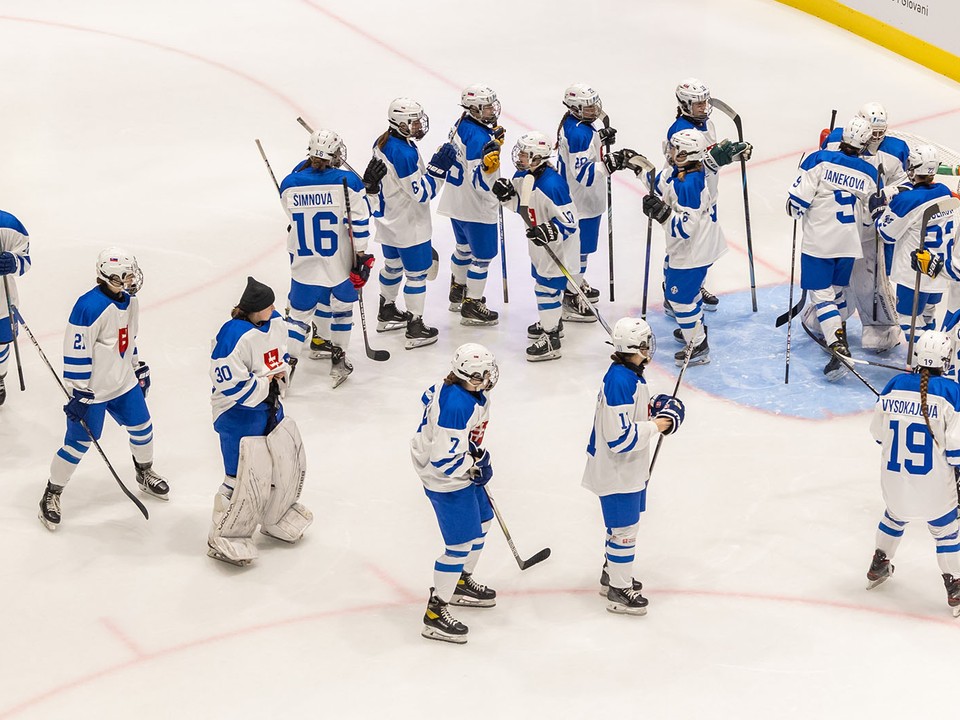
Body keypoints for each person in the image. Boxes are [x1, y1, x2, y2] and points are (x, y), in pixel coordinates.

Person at [39, 248, 168, 531]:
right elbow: (76, 351)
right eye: (126, 275)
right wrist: (79, 391)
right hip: (93, 392)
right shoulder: (88, 307)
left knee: (143, 428)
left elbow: (129, 336)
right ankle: (52, 493)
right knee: (77, 445)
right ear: (110, 277)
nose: (132, 279)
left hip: (123, 383)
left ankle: (143, 473)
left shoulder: (130, 301)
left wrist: (135, 365)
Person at [582, 317, 685, 615]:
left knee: (620, 527)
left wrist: (653, 405)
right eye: (645, 344)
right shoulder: (620, 381)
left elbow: (630, 413)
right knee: (625, 529)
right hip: (617, 470)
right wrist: (658, 424)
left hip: (626, 469)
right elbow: (620, 439)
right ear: (634, 347)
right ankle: (618, 589)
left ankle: (611, 573)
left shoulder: (629, 374)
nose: (649, 348)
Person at [207, 277, 311, 566]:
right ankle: (223, 534)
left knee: (281, 464)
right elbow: (228, 383)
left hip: (269, 405)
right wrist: (265, 382)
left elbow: (282, 355)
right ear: (255, 309)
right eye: (268, 304)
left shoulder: (274, 321)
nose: (274, 308)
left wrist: (278, 376)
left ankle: (275, 518)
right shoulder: (232, 335)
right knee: (239, 477)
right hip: (237, 414)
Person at [866, 330, 960, 616]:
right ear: (945, 360)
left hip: (893, 484)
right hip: (933, 488)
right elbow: (956, 450)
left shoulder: (894, 385)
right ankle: (955, 583)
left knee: (894, 515)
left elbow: (878, 435)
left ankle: (879, 561)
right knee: (946, 530)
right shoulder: (950, 392)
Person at [411, 343, 500, 644]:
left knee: (484, 521)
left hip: (455, 467)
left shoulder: (459, 389)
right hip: (445, 479)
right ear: (470, 377)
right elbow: (444, 460)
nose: (490, 376)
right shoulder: (458, 406)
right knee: (459, 545)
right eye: (484, 373)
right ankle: (435, 613)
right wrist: (473, 464)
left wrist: (471, 453)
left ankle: (460, 580)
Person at [786, 115, 883, 381]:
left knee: (822, 296)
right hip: (849, 242)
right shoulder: (870, 172)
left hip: (820, 241)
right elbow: (871, 212)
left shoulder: (818, 160)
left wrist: (795, 208)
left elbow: (795, 205)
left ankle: (838, 347)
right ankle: (837, 334)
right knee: (837, 293)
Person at [280, 129, 378, 388]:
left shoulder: (289, 183)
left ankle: (286, 367)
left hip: (304, 263)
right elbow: (359, 221)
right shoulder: (347, 181)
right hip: (340, 263)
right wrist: (361, 256)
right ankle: (338, 359)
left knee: (298, 317)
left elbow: (292, 218)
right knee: (342, 309)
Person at [643, 129, 747, 366]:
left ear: (684, 154)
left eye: (674, 148)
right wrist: (639, 167)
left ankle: (698, 345)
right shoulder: (682, 172)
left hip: (693, 251)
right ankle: (694, 327)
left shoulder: (689, 184)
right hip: (699, 246)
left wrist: (661, 213)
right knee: (687, 294)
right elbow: (660, 184)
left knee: (679, 299)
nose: (669, 151)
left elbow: (684, 228)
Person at [820, 102, 911, 353]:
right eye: (873, 131)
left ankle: (878, 332)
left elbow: (906, 183)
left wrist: (888, 192)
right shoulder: (836, 141)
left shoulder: (894, 150)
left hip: (867, 229)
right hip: (839, 227)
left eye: (882, 132)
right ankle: (823, 322)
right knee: (836, 281)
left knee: (869, 281)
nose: (877, 137)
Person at [661, 78, 752, 316]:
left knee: (701, 246)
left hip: (706, 193)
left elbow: (708, 157)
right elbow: (685, 166)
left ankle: (693, 287)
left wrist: (732, 154)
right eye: (697, 104)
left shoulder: (707, 124)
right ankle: (673, 294)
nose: (703, 107)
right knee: (681, 244)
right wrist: (716, 160)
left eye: (704, 102)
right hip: (685, 191)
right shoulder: (680, 131)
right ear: (684, 104)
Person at [370, 97, 456, 347]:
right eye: (414, 122)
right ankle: (415, 325)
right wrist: (439, 170)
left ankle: (386, 311)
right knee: (417, 275)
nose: (419, 126)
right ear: (400, 123)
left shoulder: (384, 141)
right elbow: (421, 193)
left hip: (388, 221)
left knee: (393, 267)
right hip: (409, 226)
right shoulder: (403, 152)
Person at [493, 131, 582, 361]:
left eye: (524, 154)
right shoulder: (524, 175)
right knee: (542, 283)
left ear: (537, 157)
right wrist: (505, 195)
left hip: (558, 250)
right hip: (539, 247)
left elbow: (570, 222)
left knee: (546, 289)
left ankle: (551, 337)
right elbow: (522, 207)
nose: (519, 157)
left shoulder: (553, 185)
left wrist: (550, 230)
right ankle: (552, 322)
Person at [877, 144, 960, 346]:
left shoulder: (907, 200)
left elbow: (886, 233)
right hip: (940, 271)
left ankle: (923, 363)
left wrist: (879, 209)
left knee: (909, 323)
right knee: (928, 317)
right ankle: (935, 357)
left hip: (914, 272)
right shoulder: (944, 192)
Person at [436, 84, 504, 325]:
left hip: (456, 202)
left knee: (463, 248)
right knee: (482, 257)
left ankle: (458, 289)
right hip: (476, 207)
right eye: (486, 107)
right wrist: (491, 174)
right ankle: (472, 303)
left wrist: (492, 140)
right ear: (474, 109)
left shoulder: (462, 123)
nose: (492, 110)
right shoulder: (478, 136)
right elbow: (480, 181)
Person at [556, 83, 623, 309]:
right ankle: (570, 295)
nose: (594, 109)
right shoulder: (579, 133)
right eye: (588, 106)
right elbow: (584, 174)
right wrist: (609, 165)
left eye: (595, 104)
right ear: (575, 108)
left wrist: (599, 140)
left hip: (580, 199)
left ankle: (573, 284)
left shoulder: (576, 126)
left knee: (579, 249)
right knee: (580, 250)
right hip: (581, 202)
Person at [0, 209, 31, 406]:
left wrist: (13, 262)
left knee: (2, 341)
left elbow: (25, 259)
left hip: (1, 303)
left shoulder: (7, 224)